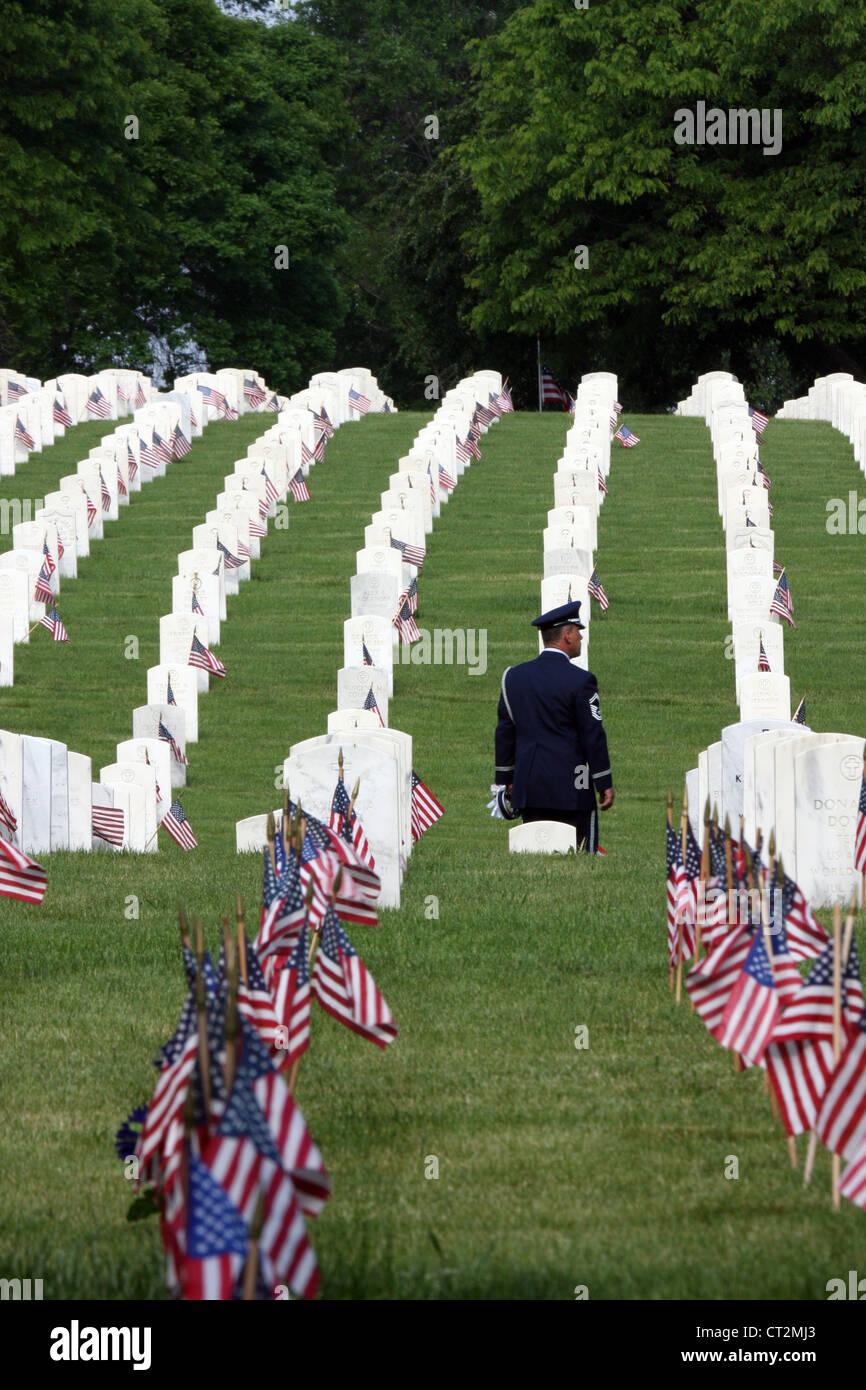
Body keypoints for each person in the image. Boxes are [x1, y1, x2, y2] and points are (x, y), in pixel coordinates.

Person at [493, 600, 614, 853]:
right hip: (574, 784)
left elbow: (505, 731)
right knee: (581, 853)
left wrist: (505, 779)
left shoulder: (513, 677)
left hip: (529, 783)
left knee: (535, 852)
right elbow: (593, 735)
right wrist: (603, 781)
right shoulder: (582, 681)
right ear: (566, 635)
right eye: (577, 630)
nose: (581, 636)